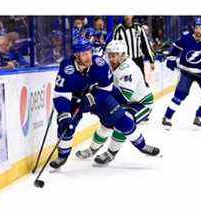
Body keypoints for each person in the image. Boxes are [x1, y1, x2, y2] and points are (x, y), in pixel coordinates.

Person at [50, 38, 153, 167]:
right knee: (66, 126)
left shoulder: (100, 64)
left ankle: (141, 145)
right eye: (84, 54)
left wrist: (93, 98)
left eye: (89, 52)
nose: (89, 57)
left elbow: (107, 88)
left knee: (122, 120)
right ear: (76, 55)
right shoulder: (66, 68)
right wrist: (64, 114)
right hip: (76, 99)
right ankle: (62, 156)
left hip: (98, 96)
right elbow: (60, 94)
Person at [75, 40, 159, 160]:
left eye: (114, 55)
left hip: (141, 104)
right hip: (124, 101)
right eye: (109, 55)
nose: (111, 58)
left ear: (123, 55)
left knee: (122, 121)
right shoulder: (109, 64)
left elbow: (123, 97)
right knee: (106, 125)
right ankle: (92, 149)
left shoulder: (129, 70)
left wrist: (98, 90)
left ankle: (111, 153)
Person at [162, 17, 201, 129]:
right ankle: (167, 117)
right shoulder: (186, 37)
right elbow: (175, 48)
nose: (198, 30)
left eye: (200, 28)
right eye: (196, 27)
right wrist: (171, 58)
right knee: (180, 95)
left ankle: (199, 117)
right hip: (186, 71)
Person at [113, 16, 155, 86]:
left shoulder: (138, 28)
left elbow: (146, 45)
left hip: (138, 60)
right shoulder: (119, 30)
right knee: (127, 84)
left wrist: (151, 60)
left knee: (141, 83)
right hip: (125, 61)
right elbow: (115, 48)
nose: (127, 16)